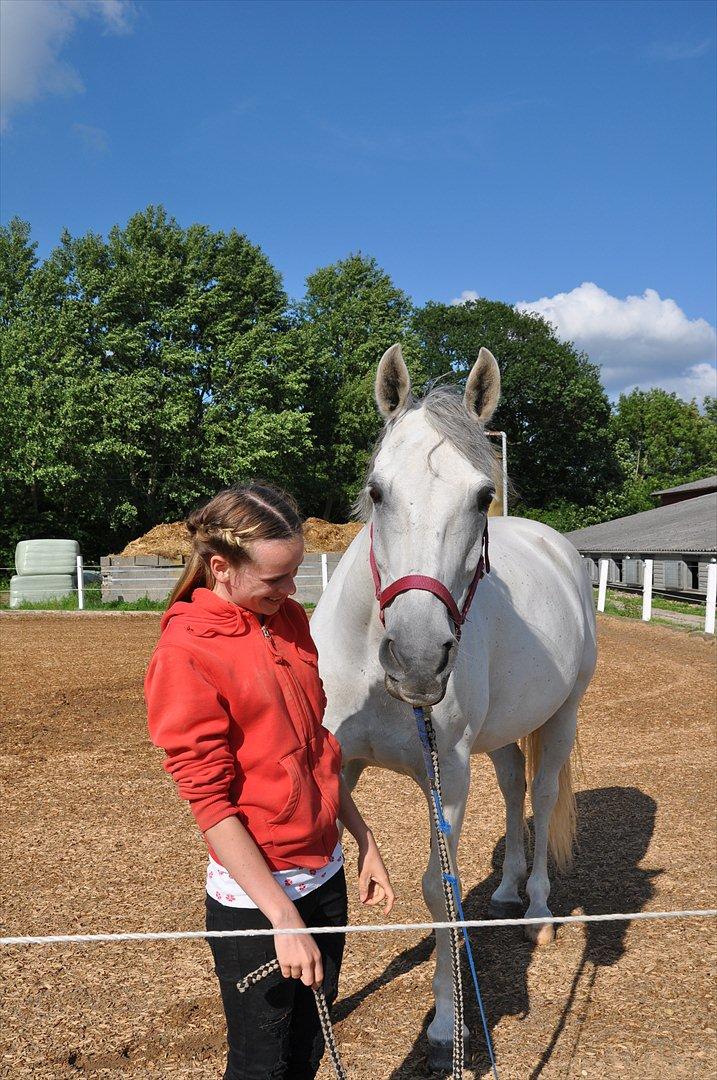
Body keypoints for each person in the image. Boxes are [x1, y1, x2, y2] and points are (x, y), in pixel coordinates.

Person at [145, 482, 394, 1080]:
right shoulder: (185, 653)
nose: (291, 591)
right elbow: (210, 804)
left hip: (326, 876)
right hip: (257, 901)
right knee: (261, 1065)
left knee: (307, 1052)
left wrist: (363, 839)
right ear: (221, 568)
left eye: (296, 574)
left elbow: (316, 750)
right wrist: (282, 919)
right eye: (276, 579)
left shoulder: (287, 619)